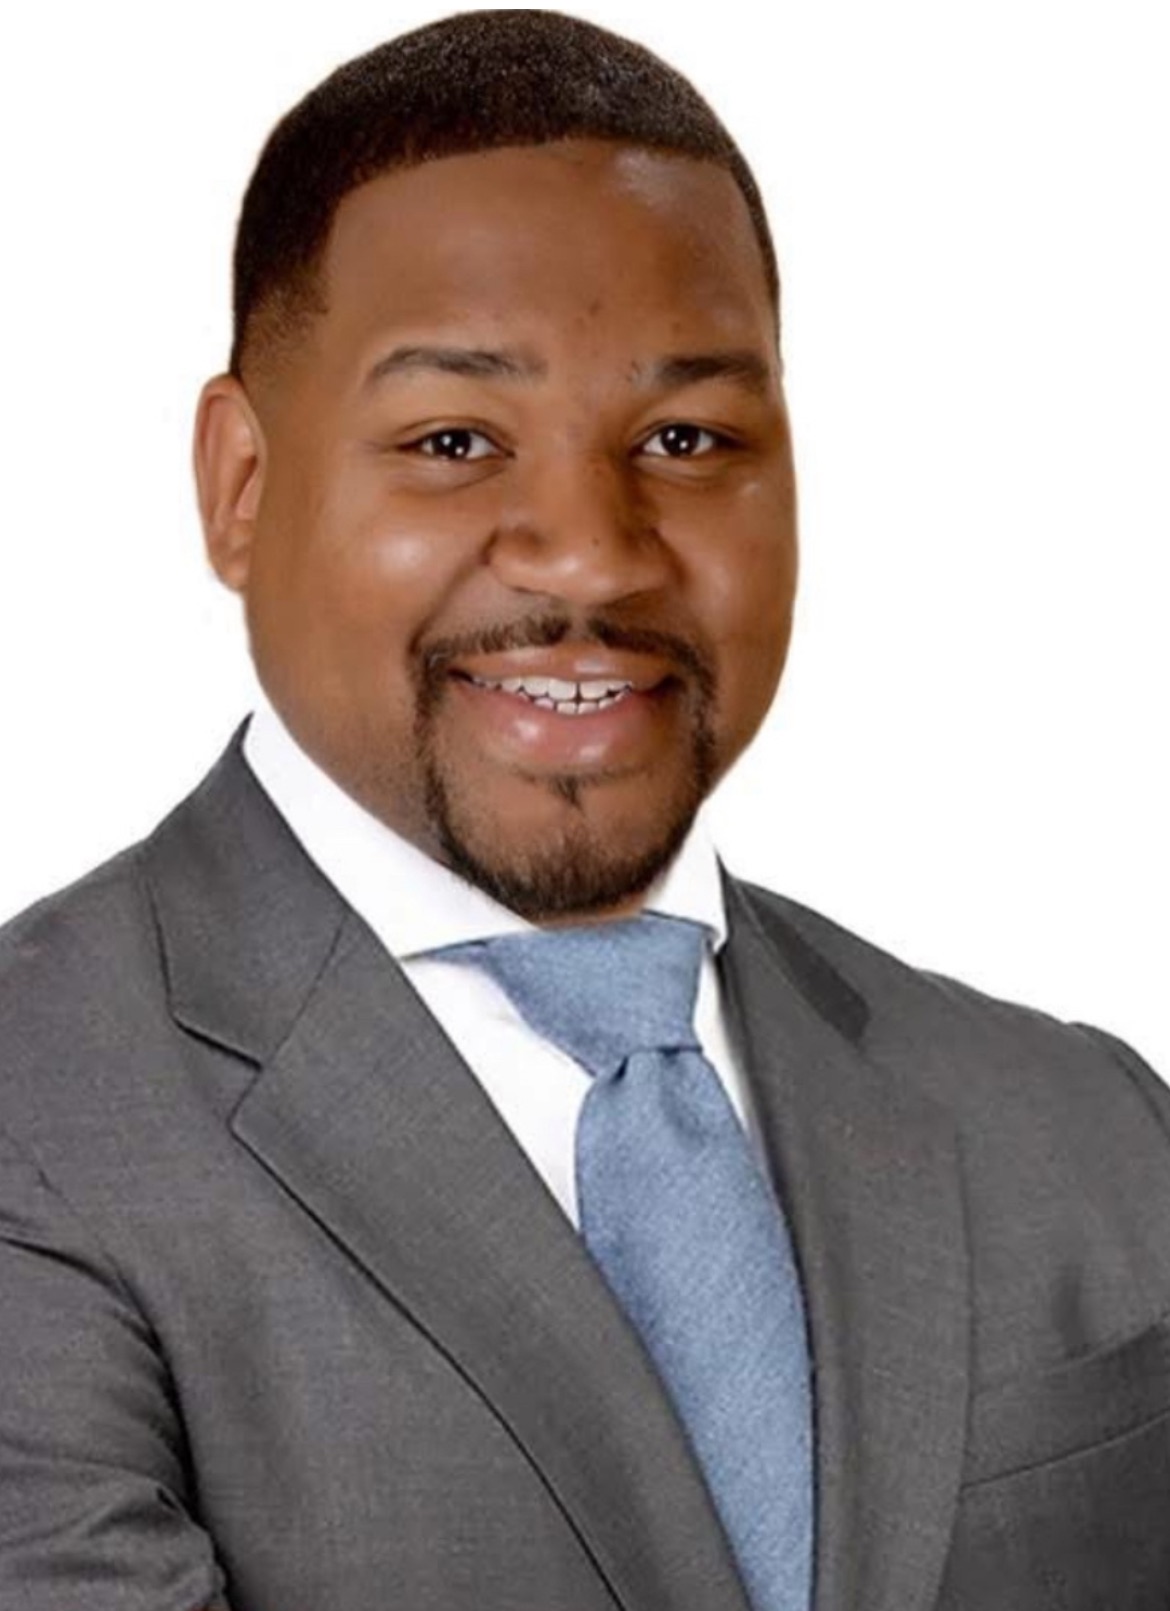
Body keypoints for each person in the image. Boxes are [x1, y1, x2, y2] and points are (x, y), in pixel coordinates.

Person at [1, 10, 1168, 1610]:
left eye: (684, 439)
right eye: (454, 440)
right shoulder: (38, 1121)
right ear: (242, 487)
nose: (593, 553)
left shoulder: (1091, 1124)